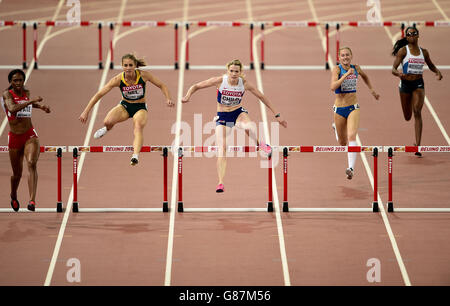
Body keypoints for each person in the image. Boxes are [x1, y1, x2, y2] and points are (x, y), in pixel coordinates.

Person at [182, 59, 287, 192]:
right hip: (223, 116)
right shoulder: (220, 81)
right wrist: (187, 96)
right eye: (231, 71)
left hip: (238, 113)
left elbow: (262, 97)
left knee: (250, 127)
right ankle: (220, 182)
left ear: (240, 72)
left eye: (236, 71)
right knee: (222, 149)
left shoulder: (244, 84)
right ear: (228, 71)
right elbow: (196, 86)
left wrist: (277, 114)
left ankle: (260, 144)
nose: (233, 74)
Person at [79, 53, 174, 165]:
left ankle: (135, 156)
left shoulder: (144, 75)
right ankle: (106, 129)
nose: (128, 68)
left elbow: (162, 85)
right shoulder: (118, 79)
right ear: (122, 66)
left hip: (140, 108)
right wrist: (86, 111)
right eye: (126, 65)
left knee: (138, 127)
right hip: (125, 106)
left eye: (130, 65)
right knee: (107, 122)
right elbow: (99, 94)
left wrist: (168, 98)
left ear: (135, 66)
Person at [1, 69, 51, 212]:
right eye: (15, 80)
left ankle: (32, 200)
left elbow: (29, 104)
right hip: (15, 138)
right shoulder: (7, 94)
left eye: (20, 80)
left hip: (29, 135)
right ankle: (13, 195)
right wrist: (31, 101)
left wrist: (41, 107)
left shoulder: (26, 93)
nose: (18, 83)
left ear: (24, 80)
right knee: (17, 174)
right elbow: (12, 109)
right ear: (10, 82)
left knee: (31, 163)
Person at [391, 26, 443, 157]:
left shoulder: (424, 52)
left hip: (418, 84)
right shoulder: (403, 51)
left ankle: (418, 146)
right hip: (405, 84)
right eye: (409, 34)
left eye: (414, 34)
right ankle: (408, 102)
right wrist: (399, 74)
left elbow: (430, 65)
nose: (412, 36)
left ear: (418, 35)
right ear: (407, 37)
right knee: (407, 117)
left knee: (417, 111)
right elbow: (393, 69)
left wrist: (437, 71)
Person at [330, 47, 380, 179]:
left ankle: (350, 168)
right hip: (339, 109)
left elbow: (365, 77)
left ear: (351, 56)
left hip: (353, 107)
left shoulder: (356, 68)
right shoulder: (337, 69)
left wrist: (372, 90)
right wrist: (346, 75)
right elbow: (332, 87)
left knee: (352, 135)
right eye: (342, 55)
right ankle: (335, 128)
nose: (345, 57)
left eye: (347, 55)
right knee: (342, 143)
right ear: (339, 58)